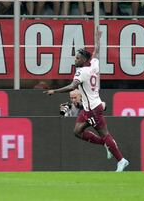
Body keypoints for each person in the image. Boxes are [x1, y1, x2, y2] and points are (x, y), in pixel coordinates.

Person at [44, 28, 129, 172]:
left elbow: (72, 86)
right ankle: (107, 144)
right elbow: (96, 52)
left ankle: (121, 160)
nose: (75, 60)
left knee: (105, 134)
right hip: (88, 108)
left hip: (94, 110)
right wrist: (97, 40)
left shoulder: (81, 72)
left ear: (83, 60)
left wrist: (54, 91)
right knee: (77, 131)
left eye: (77, 58)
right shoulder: (93, 64)